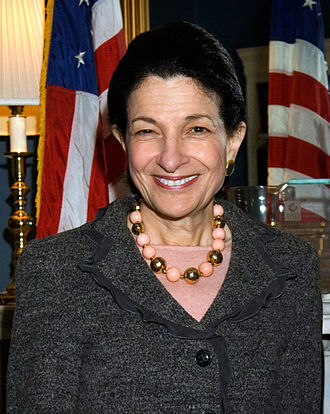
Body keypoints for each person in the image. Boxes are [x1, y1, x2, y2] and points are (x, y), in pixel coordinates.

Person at [7, 21, 322, 413]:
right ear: (122, 140)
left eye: (196, 129)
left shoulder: (292, 268)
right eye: (147, 132)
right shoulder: (55, 271)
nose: (170, 159)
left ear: (234, 140)